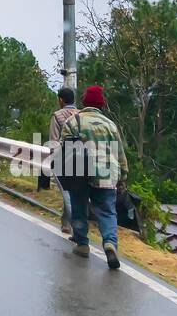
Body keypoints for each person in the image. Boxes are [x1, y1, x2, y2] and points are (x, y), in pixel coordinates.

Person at [58, 85, 127, 269]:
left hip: (81, 171)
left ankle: (82, 244)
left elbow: (63, 148)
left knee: (79, 207)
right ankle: (110, 243)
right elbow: (120, 153)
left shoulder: (74, 122)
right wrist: (123, 175)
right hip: (106, 172)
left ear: (85, 102)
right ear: (101, 105)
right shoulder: (110, 125)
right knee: (107, 210)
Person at [48, 87, 80, 235]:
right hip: (82, 160)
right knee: (73, 191)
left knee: (67, 192)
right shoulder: (81, 115)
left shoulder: (57, 116)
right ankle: (66, 224)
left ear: (61, 100)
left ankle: (75, 224)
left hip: (64, 159)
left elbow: (54, 141)